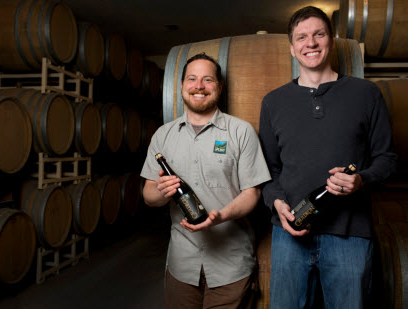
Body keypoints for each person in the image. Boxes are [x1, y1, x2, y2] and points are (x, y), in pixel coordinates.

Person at [258, 6, 398, 309]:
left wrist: (361, 179)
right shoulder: (273, 102)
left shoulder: (366, 94)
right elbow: (269, 170)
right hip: (289, 234)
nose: (311, 43)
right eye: (302, 37)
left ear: (331, 41)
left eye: (318, 34)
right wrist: (278, 204)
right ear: (292, 48)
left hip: (350, 233)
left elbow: (387, 160)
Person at [141, 53, 271, 309]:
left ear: (219, 87)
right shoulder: (163, 136)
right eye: (192, 79)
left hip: (230, 265)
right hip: (182, 265)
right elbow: (148, 195)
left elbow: (252, 193)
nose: (198, 86)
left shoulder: (240, 131)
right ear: (181, 86)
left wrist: (220, 216)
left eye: (207, 79)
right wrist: (161, 191)